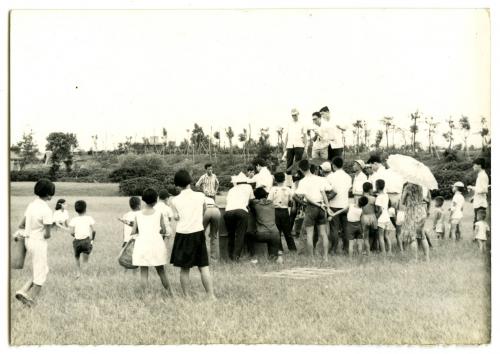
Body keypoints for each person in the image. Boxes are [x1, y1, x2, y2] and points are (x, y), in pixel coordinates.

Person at [170, 170, 215, 299]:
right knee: (203, 266)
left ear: (177, 185)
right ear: (190, 181)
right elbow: (204, 211)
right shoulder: (200, 196)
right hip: (198, 233)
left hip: (183, 234)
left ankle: (187, 296)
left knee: (184, 269)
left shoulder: (175, 200)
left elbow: (177, 217)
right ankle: (211, 295)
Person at [15, 179, 55, 307]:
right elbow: (47, 235)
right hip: (39, 243)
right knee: (41, 273)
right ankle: (31, 300)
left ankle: (24, 290)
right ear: (49, 194)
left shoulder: (31, 205)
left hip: (28, 241)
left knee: (44, 269)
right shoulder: (47, 211)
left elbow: (21, 224)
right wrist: (45, 232)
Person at [131, 188, 173, 295]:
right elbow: (163, 230)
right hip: (156, 245)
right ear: (156, 200)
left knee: (144, 272)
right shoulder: (159, 213)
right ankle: (170, 293)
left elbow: (133, 231)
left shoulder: (138, 215)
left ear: (144, 200)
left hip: (142, 245)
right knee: (161, 271)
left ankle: (144, 295)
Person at [294, 159, 332, 260]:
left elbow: (307, 197)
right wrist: (326, 207)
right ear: (309, 166)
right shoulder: (320, 179)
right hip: (321, 206)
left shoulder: (303, 181)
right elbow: (324, 194)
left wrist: (318, 205)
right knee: (323, 233)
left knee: (310, 234)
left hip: (311, 207)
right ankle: (326, 257)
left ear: (301, 169)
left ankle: (312, 259)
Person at [247, 187, 284, 264]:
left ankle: (253, 257)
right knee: (273, 258)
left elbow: (249, 203)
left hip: (261, 234)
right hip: (275, 234)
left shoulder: (255, 203)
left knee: (248, 235)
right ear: (266, 195)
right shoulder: (271, 203)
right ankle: (277, 257)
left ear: (255, 196)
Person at [223, 172, 255, 261]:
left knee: (231, 235)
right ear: (245, 181)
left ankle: (230, 255)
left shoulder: (231, 190)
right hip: (241, 211)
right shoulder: (249, 187)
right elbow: (252, 200)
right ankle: (236, 257)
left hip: (228, 212)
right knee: (240, 235)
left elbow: (228, 201)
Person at [325, 157, 352, 254]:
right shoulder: (348, 177)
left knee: (334, 228)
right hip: (345, 204)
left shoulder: (330, 177)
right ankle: (346, 249)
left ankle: (333, 249)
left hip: (333, 205)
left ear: (333, 165)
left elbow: (327, 190)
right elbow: (348, 190)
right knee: (345, 228)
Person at [400, 183, 429, 262]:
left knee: (412, 237)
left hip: (412, 212)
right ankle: (426, 258)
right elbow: (423, 199)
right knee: (422, 235)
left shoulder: (407, 187)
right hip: (421, 211)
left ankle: (414, 259)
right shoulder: (420, 187)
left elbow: (402, 201)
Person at [268, 172, 296, 252]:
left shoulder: (273, 189)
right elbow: (291, 201)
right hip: (285, 211)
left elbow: (269, 201)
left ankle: (279, 249)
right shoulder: (288, 189)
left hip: (275, 211)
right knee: (287, 231)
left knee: (277, 231)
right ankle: (292, 249)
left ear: (275, 180)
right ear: (284, 179)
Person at [68, 200, 96, 278]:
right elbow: (94, 231)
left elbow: (71, 233)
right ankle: (85, 275)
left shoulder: (74, 219)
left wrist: (76, 235)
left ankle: (78, 273)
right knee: (85, 261)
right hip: (86, 241)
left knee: (77, 258)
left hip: (77, 241)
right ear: (85, 208)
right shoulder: (89, 218)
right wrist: (92, 240)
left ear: (76, 209)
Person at [284, 108, 307, 178]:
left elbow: (305, 136)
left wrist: (305, 147)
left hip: (299, 145)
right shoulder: (289, 124)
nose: (294, 116)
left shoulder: (302, 123)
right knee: (289, 163)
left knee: (298, 163)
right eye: (293, 115)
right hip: (290, 146)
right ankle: (288, 180)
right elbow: (286, 136)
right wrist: (285, 148)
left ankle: (298, 178)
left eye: (295, 115)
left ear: (298, 114)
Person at [468, 158, 489, 230]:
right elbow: (480, 188)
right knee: (477, 221)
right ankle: (476, 238)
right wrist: (474, 197)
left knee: (478, 223)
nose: (473, 167)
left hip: (480, 203)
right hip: (478, 202)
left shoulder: (483, 176)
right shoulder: (480, 175)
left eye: (474, 165)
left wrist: (472, 187)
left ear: (479, 165)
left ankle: (477, 239)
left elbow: (484, 190)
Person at [374, 179, 394, 255]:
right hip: (387, 217)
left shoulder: (379, 197)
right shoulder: (386, 195)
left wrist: (376, 218)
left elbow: (379, 210)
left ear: (377, 186)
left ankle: (383, 252)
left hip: (381, 218)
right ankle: (390, 251)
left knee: (381, 236)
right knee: (386, 236)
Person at [361, 182, 378, 255]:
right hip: (373, 216)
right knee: (374, 235)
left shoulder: (360, 198)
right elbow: (376, 209)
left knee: (365, 236)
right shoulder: (373, 198)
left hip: (364, 217)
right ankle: (373, 249)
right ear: (370, 189)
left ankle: (366, 251)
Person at [203, 196, 221, 261]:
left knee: (200, 234)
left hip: (206, 210)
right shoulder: (211, 199)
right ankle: (214, 258)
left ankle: (200, 256)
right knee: (214, 236)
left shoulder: (199, 197)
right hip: (216, 210)